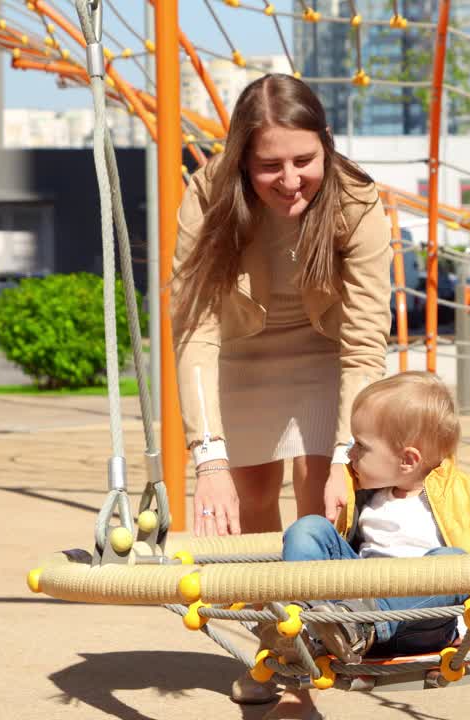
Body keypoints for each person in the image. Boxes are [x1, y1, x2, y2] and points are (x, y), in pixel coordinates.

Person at [260, 372, 470, 718]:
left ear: (408, 459)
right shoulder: (364, 494)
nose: (349, 454)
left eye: (361, 446)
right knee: (309, 528)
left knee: (452, 563)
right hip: (345, 614)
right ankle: (301, 624)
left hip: (421, 624)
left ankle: (357, 625)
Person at [171, 73, 392, 542]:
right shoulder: (208, 196)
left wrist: (345, 455)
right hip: (243, 355)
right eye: (270, 165)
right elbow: (195, 331)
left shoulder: (356, 200)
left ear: (326, 145)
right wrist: (208, 458)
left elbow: (364, 343)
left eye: (304, 160)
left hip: (325, 354)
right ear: (242, 161)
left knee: (320, 500)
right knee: (249, 500)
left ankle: (320, 613)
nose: (290, 180)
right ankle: (268, 616)